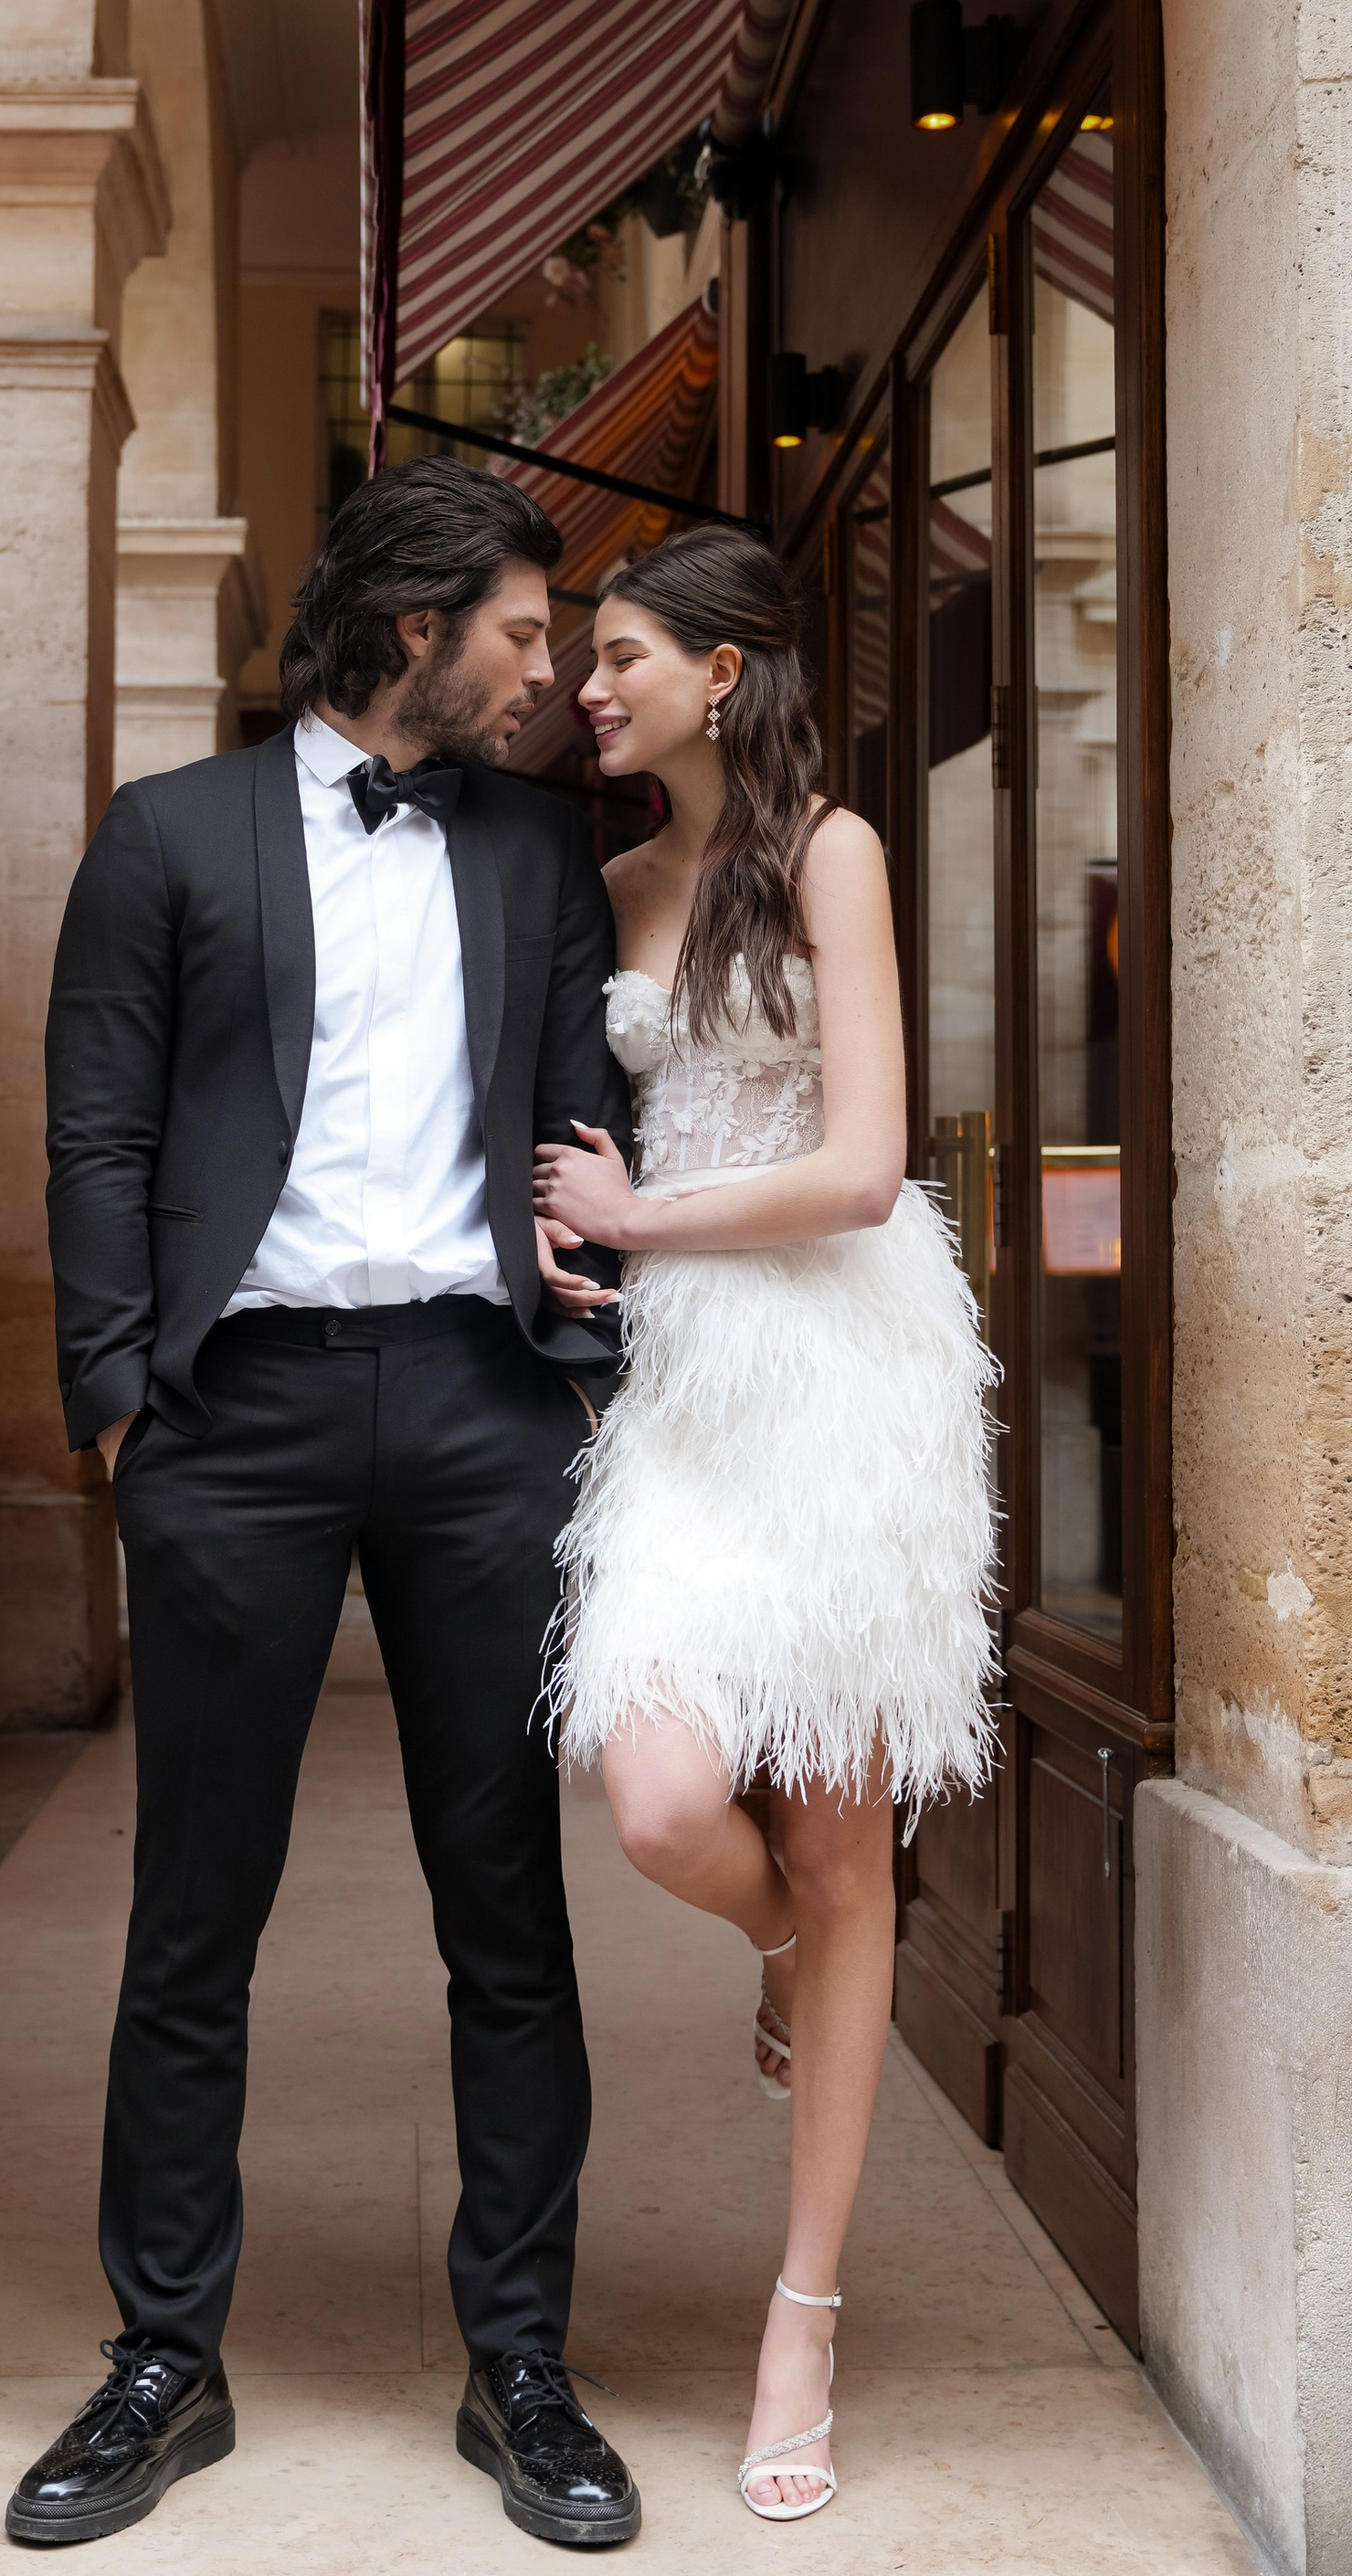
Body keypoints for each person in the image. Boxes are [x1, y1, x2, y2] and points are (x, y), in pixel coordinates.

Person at [19, 457, 642, 2551]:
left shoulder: (545, 847)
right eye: (523, 637)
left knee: (507, 1910)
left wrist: (586, 1357)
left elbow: (581, 1117)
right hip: (240, 1413)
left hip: (481, 1407)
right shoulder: (167, 833)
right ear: (410, 627)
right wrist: (122, 1400)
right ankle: (158, 2361)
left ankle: (522, 2363)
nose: (547, 675)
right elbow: (95, 1127)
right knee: (195, 1910)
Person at [534, 523, 998, 2526]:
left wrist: (634, 1217)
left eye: (618, 651)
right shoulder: (608, 879)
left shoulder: (830, 852)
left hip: (841, 1376)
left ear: (721, 670)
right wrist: (565, 1244)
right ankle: (792, 1955)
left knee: (832, 1817)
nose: (585, 684)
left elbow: (864, 1162)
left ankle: (799, 2311)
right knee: (658, 1799)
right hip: (675, 1391)